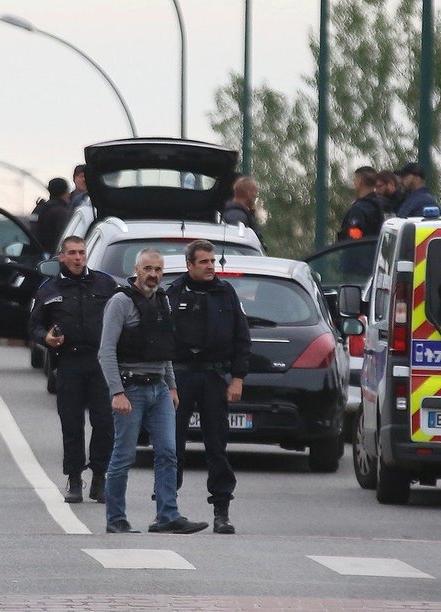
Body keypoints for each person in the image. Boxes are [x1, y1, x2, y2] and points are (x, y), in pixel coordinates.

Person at [97, 248, 208, 534]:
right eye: (147, 269)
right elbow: (106, 351)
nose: (153, 275)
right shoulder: (120, 302)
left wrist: (171, 386)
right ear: (137, 269)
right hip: (130, 389)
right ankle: (116, 519)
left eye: (158, 270)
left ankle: (167, 515)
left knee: (169, 453)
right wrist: (116, 392)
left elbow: (165, 349)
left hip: (159, 389)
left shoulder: (163, 301)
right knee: (124, 456)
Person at [167, 239, 251, 535]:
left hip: (215, 378)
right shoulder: (174, 293)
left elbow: (242, 338)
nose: (210, 267)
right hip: (181, 377)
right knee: (172, 443)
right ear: (189, 264)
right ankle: (168, 507)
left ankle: (221, 510)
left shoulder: (225, 293)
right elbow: (162, 339)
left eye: (212, 262)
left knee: (216, 444)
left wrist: (237, 378)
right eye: (203, 262)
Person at [29, 235, 118, 504]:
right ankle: (75, 478)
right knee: (71, 423)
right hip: (68, 362)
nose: (78, 258)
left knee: (104, 422)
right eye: (73, 253)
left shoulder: (105, 284)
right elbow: (34, 326)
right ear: (62, 257)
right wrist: (47, 338)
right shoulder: (49, 289)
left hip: (100, 362)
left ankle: (100, 477)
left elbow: (121, 316)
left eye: (82, 252)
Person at [337, 166, 385, 242]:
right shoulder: (382, 205)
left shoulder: (359, 209)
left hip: (360, 252)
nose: (354, 182)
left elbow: (353, 238)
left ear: (360, 182)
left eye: (355, 179)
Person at [222, 176, 266, 250]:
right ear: (248, 193)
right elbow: (236, 244)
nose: (256, 195)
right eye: (255, 191)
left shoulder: (238, 213)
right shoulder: (237, 216)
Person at [36, 178, 73, 254]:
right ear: (65, 192)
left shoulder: (41, 208)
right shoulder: (62, 212)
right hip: (55, 253)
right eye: (68, 190)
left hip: (39, 252)